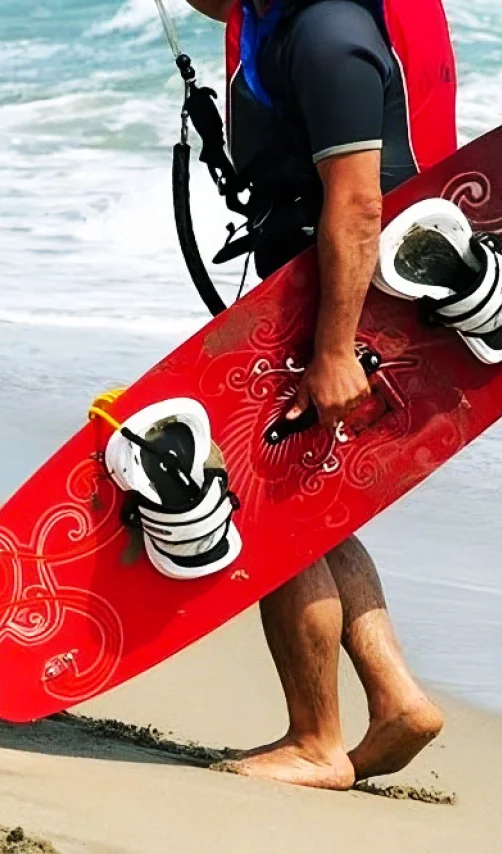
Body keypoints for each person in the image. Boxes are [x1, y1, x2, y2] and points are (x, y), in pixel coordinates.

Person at [184, 0, 457, 789]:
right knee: (314, 501)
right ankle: (395, 699)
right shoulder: (284, 18)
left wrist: (334, 352)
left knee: (262, 500)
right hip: (308, 294)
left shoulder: (330, 34)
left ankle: (316, 740)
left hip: (336, 308)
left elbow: (361, 200)